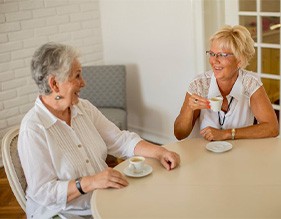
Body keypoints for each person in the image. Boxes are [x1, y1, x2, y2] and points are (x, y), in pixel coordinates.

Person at [18, 42, 180, 219]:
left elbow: (120, 140)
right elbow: (43, 192)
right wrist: (89, 183)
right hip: (63, 213)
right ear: (55, 84)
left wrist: (160, 151)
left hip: (101, 198)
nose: (83, 83)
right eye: (77, 76)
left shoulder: (83, 108)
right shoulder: (33, 129)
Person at [174, 25, 279, 141]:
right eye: (212, 54)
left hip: (239, 153)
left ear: (239, 60)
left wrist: (227, 134)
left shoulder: (250, 83)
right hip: (204, 153)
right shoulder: (200, 84)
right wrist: (189, 108)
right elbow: (179, 134)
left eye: (222, 55)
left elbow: (272, 128)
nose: (214, 60)